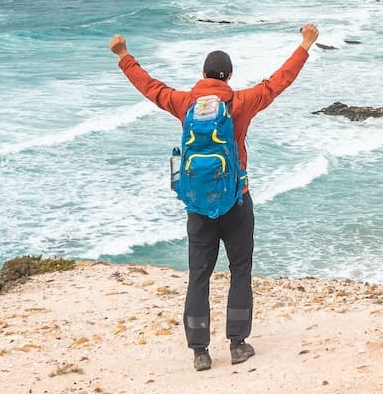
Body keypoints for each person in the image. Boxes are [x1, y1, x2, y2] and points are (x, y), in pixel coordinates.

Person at [109, 23, 316, 370]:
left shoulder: (184, 103)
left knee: (199, 275)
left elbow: (151, 88)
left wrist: (124, 56)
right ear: (229, 76)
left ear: (203, 74)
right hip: (236, 199)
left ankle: (200, 352)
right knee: (240, 270)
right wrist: (305, 45)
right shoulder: (241, 102)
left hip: (198, 205)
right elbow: (278, 82)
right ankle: (237, 345)